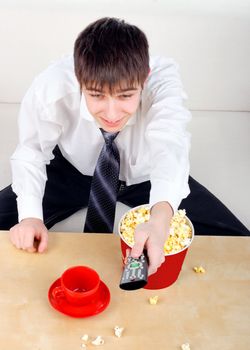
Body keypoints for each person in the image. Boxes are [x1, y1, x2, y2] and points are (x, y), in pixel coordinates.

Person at [0, 18, 248, 275]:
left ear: (145, 78)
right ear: (79, 79)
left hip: (146, 176)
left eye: (126, 96)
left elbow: (170, 147)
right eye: (96, 95)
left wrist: (160, 221)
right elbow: (31, 152)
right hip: (71, 171)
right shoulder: (51, 85)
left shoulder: (163, 81)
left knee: (241, 242)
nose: (111, 113)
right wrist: (29, 217)